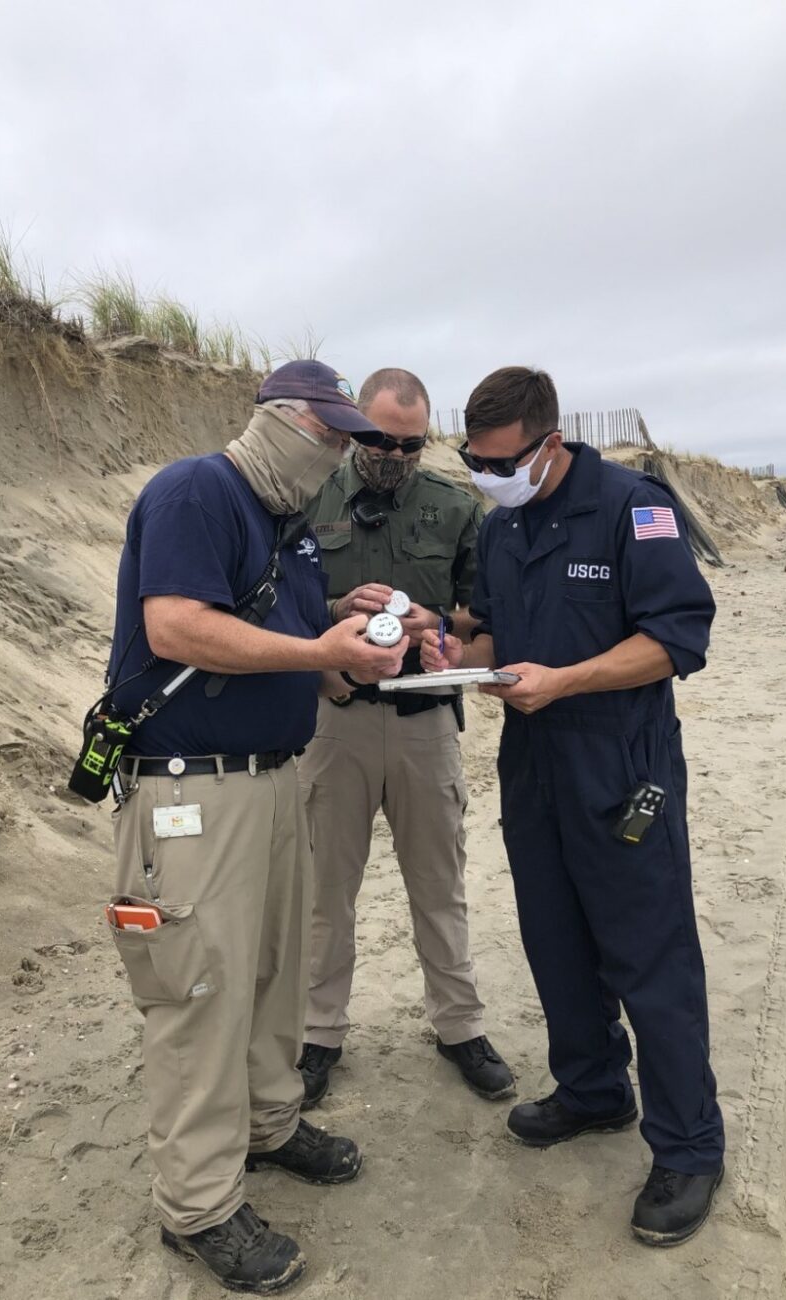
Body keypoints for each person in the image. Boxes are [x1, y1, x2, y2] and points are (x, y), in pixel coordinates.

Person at [106, 361, 409, 1295]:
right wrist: (318, 645)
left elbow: (296, 653)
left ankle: (270, 1123)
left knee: (274, 969)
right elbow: (176, 629)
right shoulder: (196, 490)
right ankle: (197, 1205)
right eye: (327, 431)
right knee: (198, 991)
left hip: (272, 781)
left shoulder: (290, 527)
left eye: (345, 438)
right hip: (191, 794)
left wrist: (348, 632)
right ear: (276, 418)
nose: (338, 452)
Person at [422, 366, 725, 1247]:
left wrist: (565, 680)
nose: (487, 476)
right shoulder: (503, 526)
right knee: (554, 938)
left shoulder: (635, 509)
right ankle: (593, 1089)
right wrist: (457, 653)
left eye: (500, 462)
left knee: (649, 956)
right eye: (474, 462)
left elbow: (676, 639)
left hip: (619, 761)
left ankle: (688, 1148)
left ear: (548, 443)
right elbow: (492, 629)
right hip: (533, 763)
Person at [296, 368, 514, 1108]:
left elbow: (484, 614)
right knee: (325, 891)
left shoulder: (455, 508)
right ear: (356, 426)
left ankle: (459, 1026)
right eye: (381, 440)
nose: (394, 455)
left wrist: (439, 627)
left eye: (411, 445)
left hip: (425, 722)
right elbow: (272, 602)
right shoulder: (307, 497)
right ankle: (318, 1032)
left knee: (439, 883)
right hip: (335, 720)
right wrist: (333, 612)